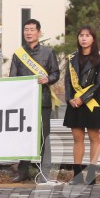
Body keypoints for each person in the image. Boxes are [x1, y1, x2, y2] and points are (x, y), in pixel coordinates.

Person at [8, 18, 60, 182]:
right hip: (24, 102)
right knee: (24, 136)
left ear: (39, 32)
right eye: (26, 30)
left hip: (43, 100)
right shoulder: (18, 54)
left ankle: (44, 172)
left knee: (44, 137)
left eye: (31, 29)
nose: (28, 33)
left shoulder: (48, 53)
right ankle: (23, 172)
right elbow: (12, 78)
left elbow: (56, 74)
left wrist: (47, 79)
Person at [63, 25, 100, 185]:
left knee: (94, 137)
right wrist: (69, 99)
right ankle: (77, 176)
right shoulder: (71, 58)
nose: (83, 38)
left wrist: (83, 98)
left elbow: (99, 84)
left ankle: (91, 174)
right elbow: (67, 82)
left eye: (87, 35)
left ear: (93, 39)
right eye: (81, 35)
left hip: (91, 103)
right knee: (77, 138)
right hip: (74, 104)